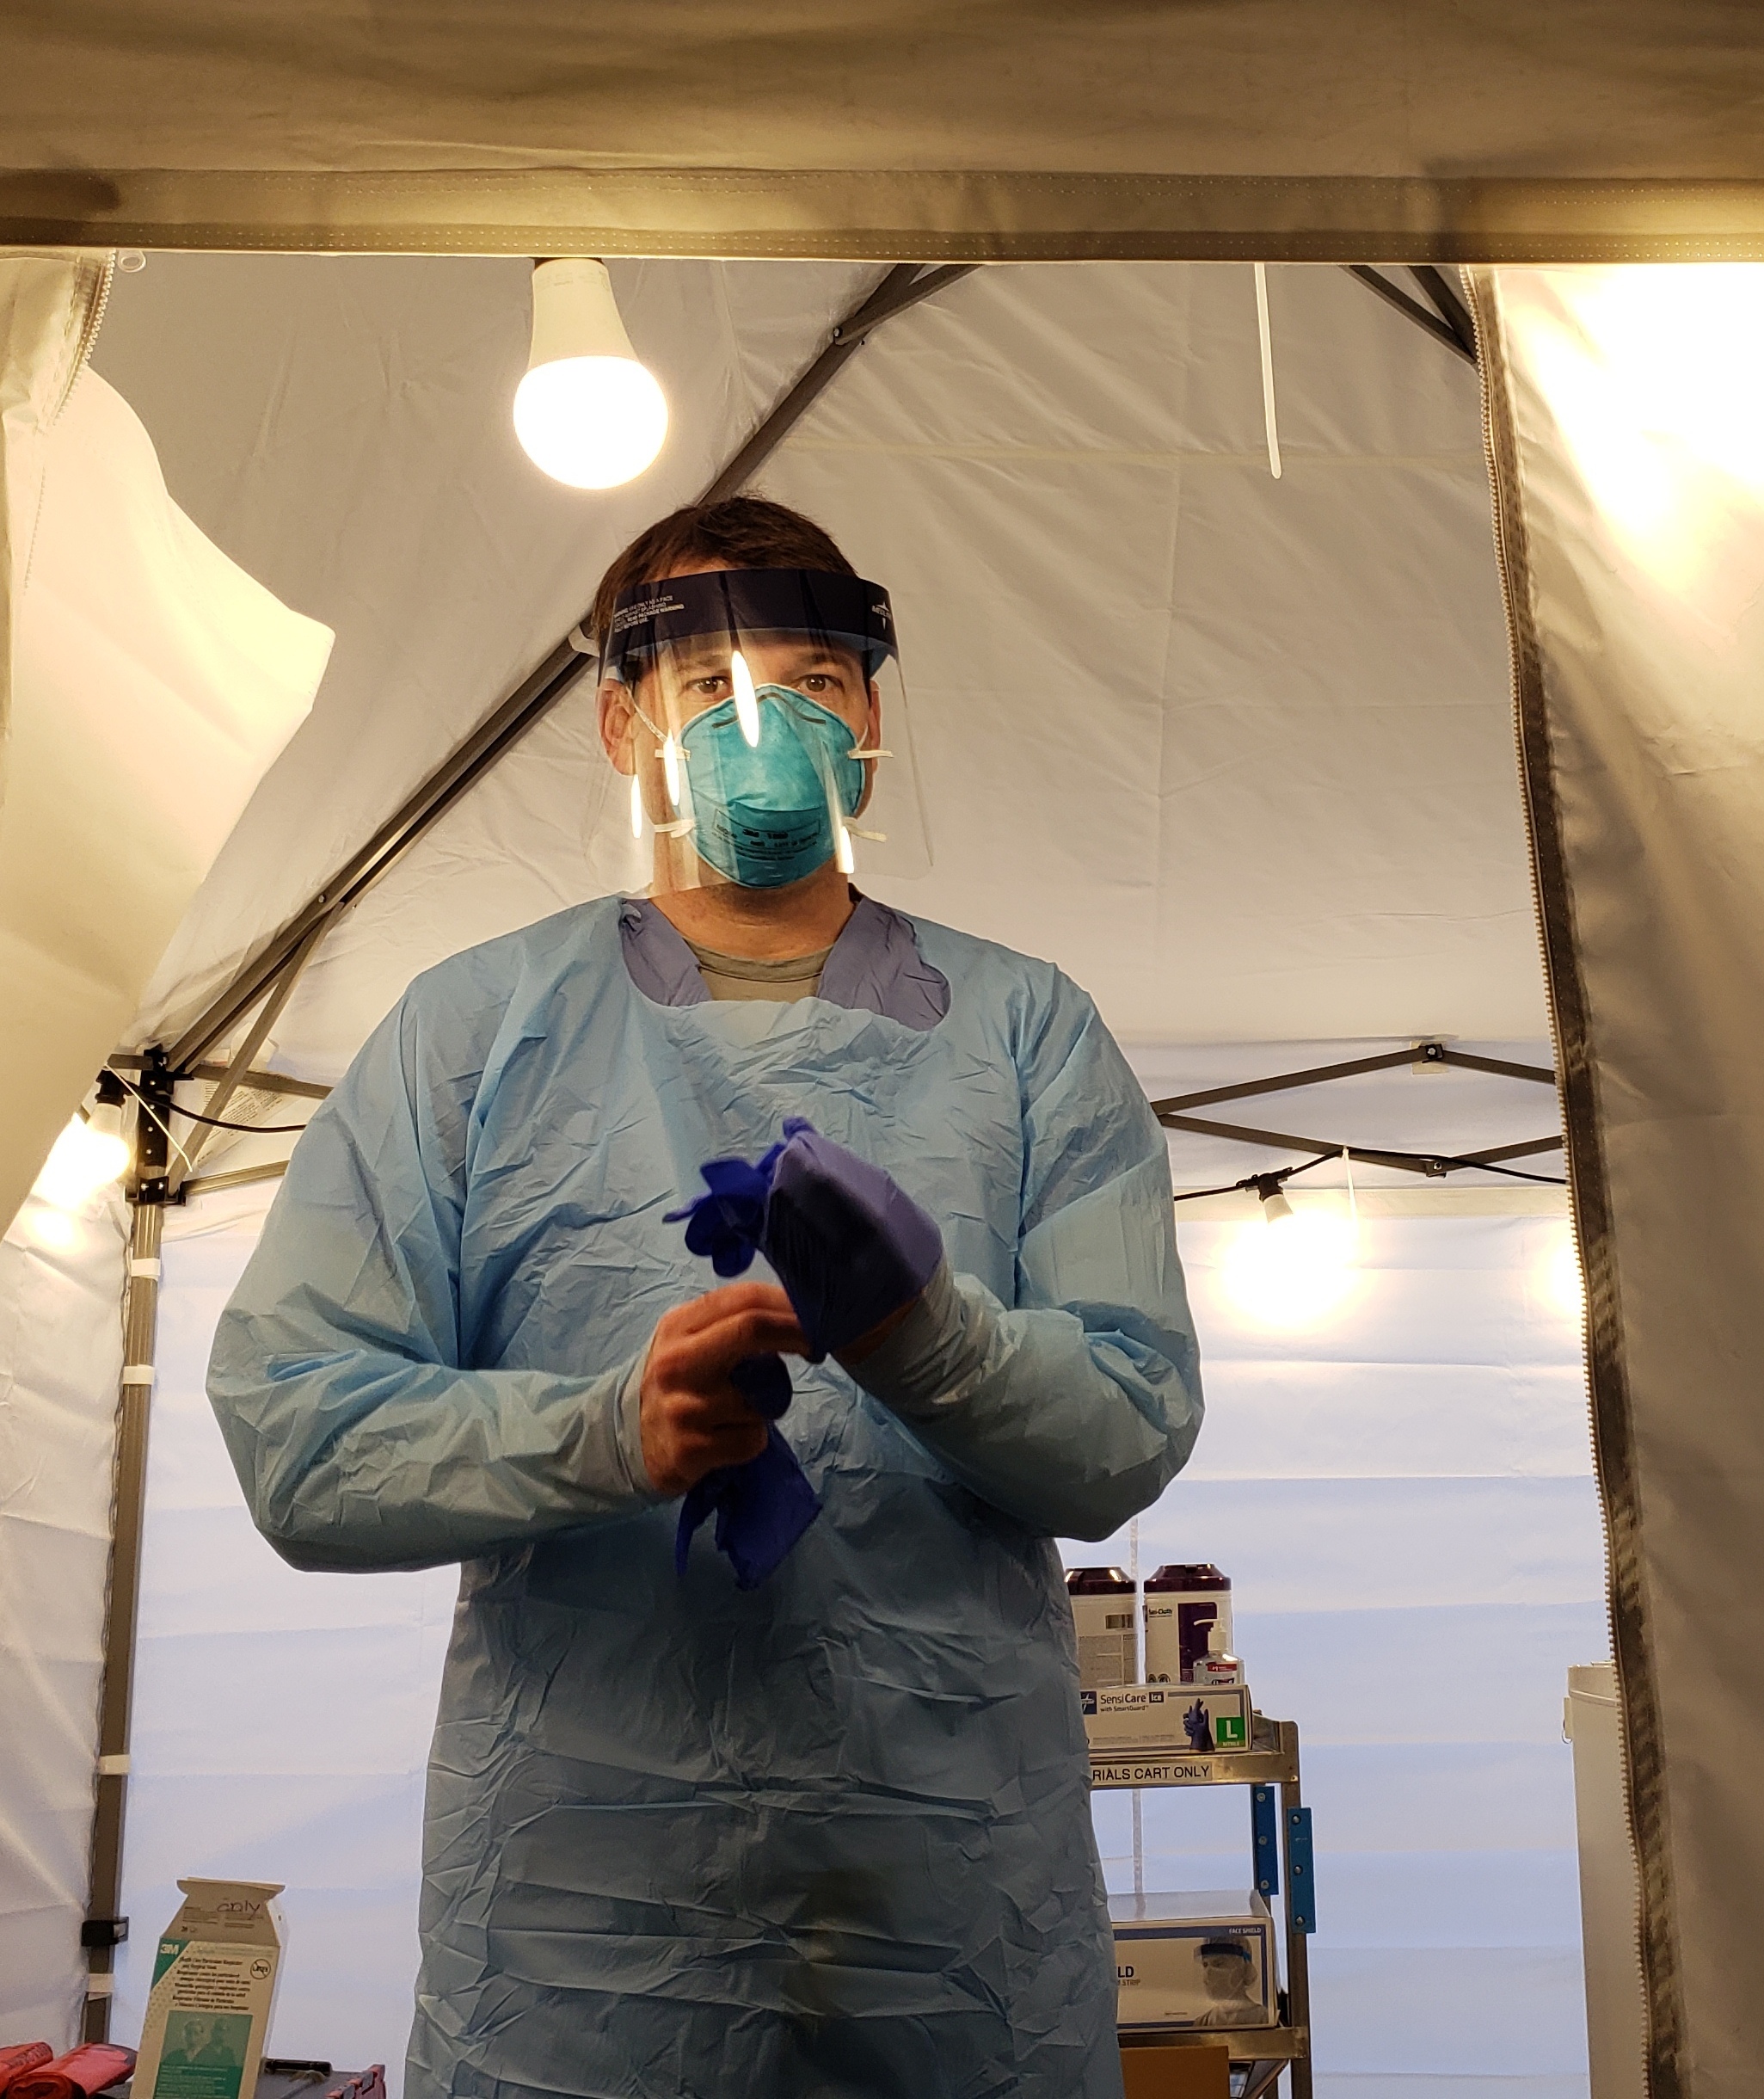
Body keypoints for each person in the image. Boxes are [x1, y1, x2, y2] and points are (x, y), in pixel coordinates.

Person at [209, 495, 1202, 2099]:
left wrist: (922, 1340)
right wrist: (611, 1430)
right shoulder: (472, 1036)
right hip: (581, 1927)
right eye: (708, 685)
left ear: (872, 713)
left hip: (948, 1907)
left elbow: (1123, 1437)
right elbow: (298, 1437)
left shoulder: (1025, 1036)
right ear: (621, 723)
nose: (769, 722)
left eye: (814, 677)